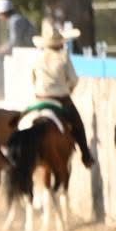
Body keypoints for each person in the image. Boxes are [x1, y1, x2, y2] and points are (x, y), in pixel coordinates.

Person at [31, 22, 93, 167]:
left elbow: (33, 79)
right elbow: (74, 80)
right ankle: (86, 155)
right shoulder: (64, 57)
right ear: (60, 44)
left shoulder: (38, 57)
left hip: (39, 99)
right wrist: (68, 89)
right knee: (78, 124)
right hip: (61, 99)